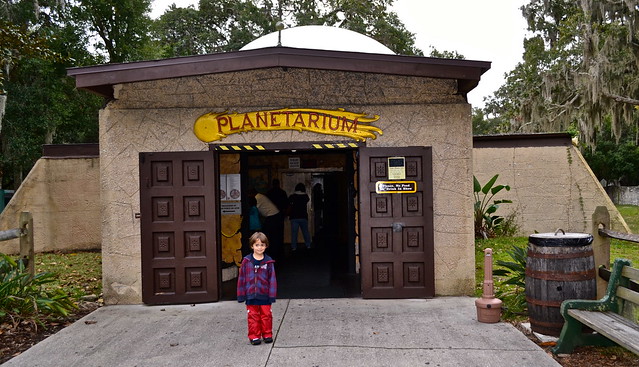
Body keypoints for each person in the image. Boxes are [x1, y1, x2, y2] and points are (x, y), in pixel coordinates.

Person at [237, 232, 277, 345]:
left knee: (266, 315)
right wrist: (241, 295)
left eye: (262, 245)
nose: (260, 247)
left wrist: (272, 295)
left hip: (264, 295)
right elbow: (242, 279)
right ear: (252, 246)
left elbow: (272, 280)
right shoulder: (246, 262)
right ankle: (254, 336)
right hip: (251, 295)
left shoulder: (268, 262)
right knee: (253, 316)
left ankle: (267, 334)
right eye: (257, 245)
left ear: (266, 246)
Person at [252, 188, 283, 259]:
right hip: (274, 215)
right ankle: (274, 253)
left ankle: (271, 253)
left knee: (269, 235)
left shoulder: (257, 198)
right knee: (273, 236)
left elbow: (255, 209)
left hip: (272, 216)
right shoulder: (260, 196)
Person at [288, 183, 312, 251]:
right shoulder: (305, 196)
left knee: (294, 233)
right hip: (303, 216)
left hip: (294, 217)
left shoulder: (292, 196)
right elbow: (307, 200)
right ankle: (308, 245)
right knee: (305, 232)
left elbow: (289, 203)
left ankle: (294, 247)